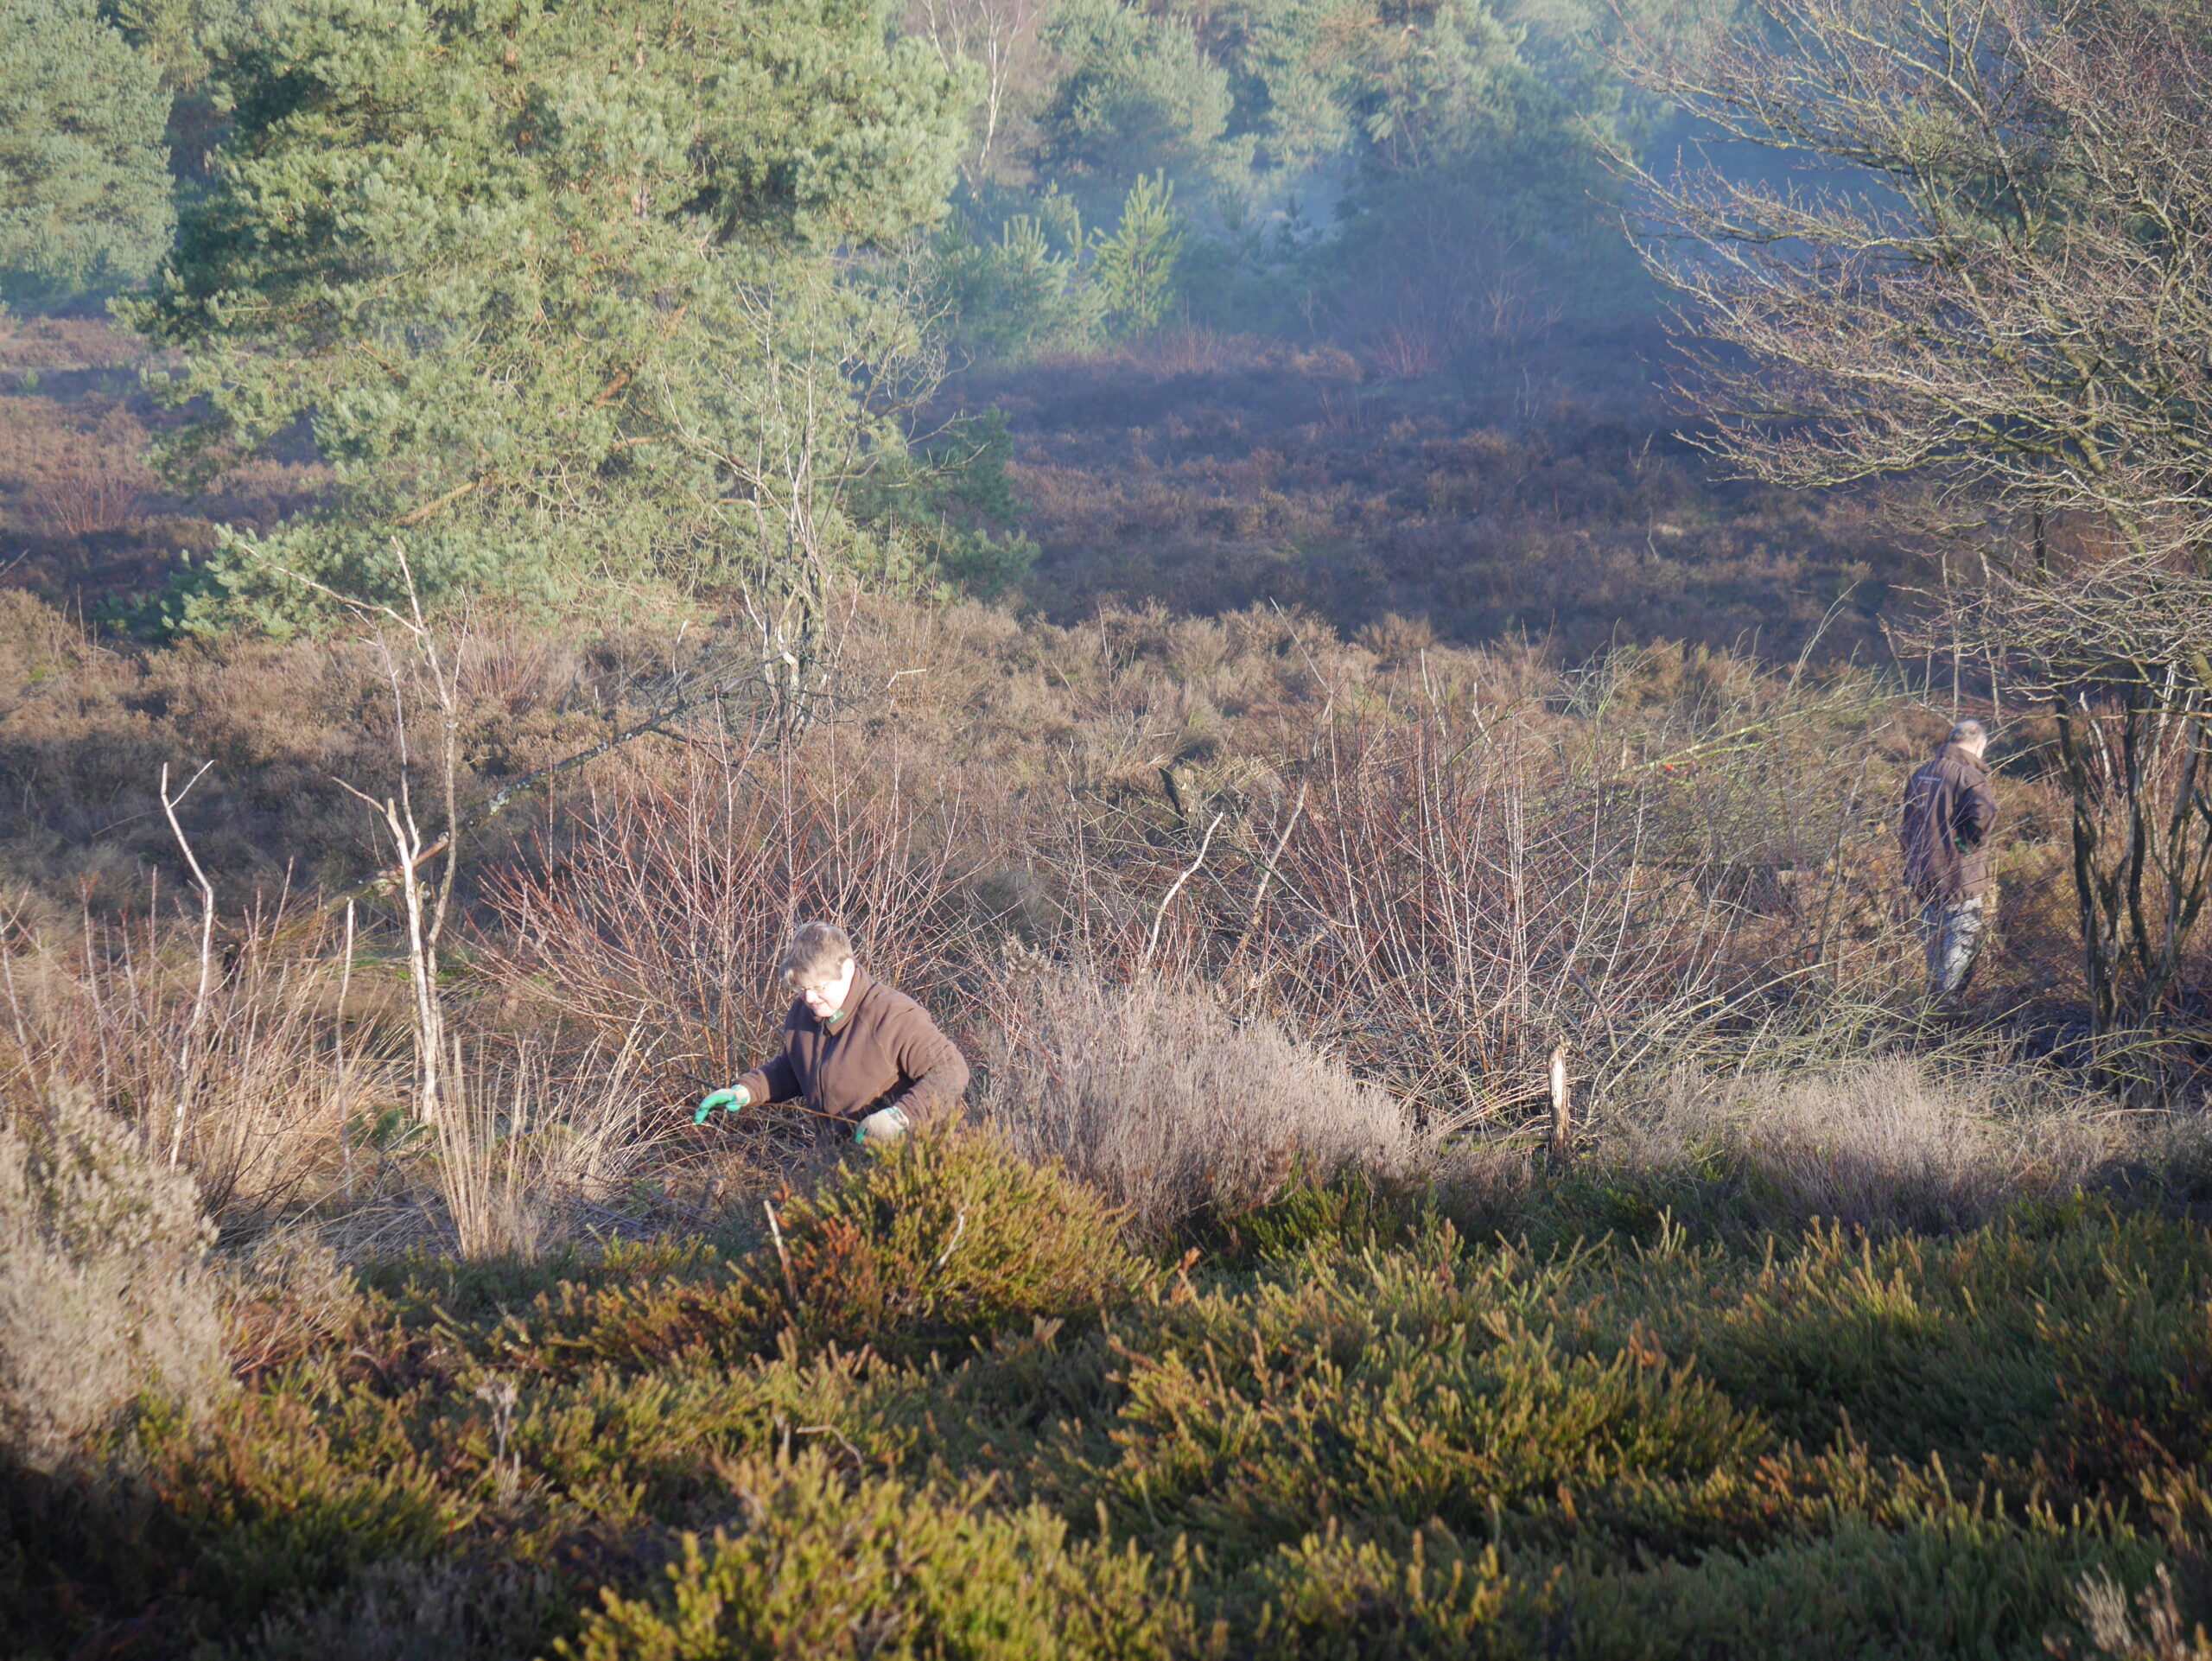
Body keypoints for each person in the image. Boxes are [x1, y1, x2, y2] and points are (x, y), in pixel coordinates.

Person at [694, 920, 969, 1144]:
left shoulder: (893, 1015)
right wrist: (745, 1091)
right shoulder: (805, 1012)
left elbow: (952, 1071)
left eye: (820, 987)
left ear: (847, 969)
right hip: (842, 1164)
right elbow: (794, 1068)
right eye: (801, 989)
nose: (810, 998)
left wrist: (900, 1117)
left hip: (913, 1161)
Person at [1899, 719, 1999, 1004]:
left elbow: (1906, 824)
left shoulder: (1921, 773)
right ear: (1979, 744)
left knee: (1934, 940)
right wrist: (1968, 843)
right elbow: (1985, 814)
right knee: (1961, 936)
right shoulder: (1970, 777)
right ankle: (1948, 1004)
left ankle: (1933, 1003)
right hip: (1960, 875)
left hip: (1922, 872)